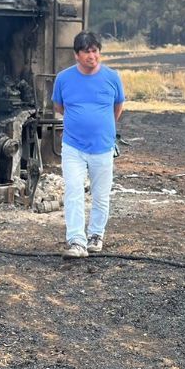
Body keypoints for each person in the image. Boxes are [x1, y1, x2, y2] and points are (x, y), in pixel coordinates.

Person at [52, 31, 125, 259]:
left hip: (103, 148)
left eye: (95, 50)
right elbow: (59, 107)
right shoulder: (63, 79)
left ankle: (96, 235)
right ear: (76, 55)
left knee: (101, 195)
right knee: (73, 191)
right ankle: (76, 241)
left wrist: (102, 126)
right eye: (87, 51)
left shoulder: (112, 78)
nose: (92, 55)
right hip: (73, 147)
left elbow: (118, 107)